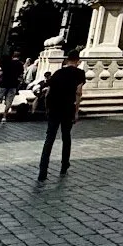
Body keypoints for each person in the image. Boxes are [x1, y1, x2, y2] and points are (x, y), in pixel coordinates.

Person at [38, 51, 86, 182]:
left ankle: (43, 169)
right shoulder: (79, 74)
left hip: (54, 107)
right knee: (66, 137)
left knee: (49, 138)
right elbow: (78, 93)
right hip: (67, 108)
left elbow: (48, 92)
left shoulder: (58, 73)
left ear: (67, 60)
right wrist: (76, 112)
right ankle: (64, 165)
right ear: (78, 61)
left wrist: (48, 108)